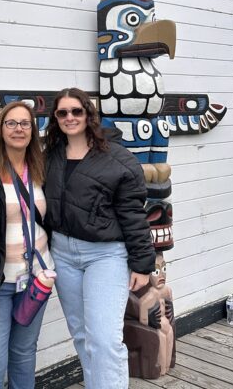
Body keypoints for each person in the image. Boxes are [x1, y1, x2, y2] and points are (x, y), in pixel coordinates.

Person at [44, 88, 155, 389]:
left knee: (104, 340)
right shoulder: (49, 156)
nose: (70, 118)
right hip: (63, 255)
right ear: (55, 118)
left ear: (89, 114)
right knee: (82, 336)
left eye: (76, 111)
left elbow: (133, 215)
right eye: (63, 112)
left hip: (105, 255)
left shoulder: (118, 159)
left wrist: (143, 265)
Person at [0, 101, 55, 389]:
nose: (18, 129)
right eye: (11, 123)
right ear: (0, 129)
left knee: (23, 354)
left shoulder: (42, 168)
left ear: (33, 130)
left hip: (37, 278)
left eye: (25, 123)